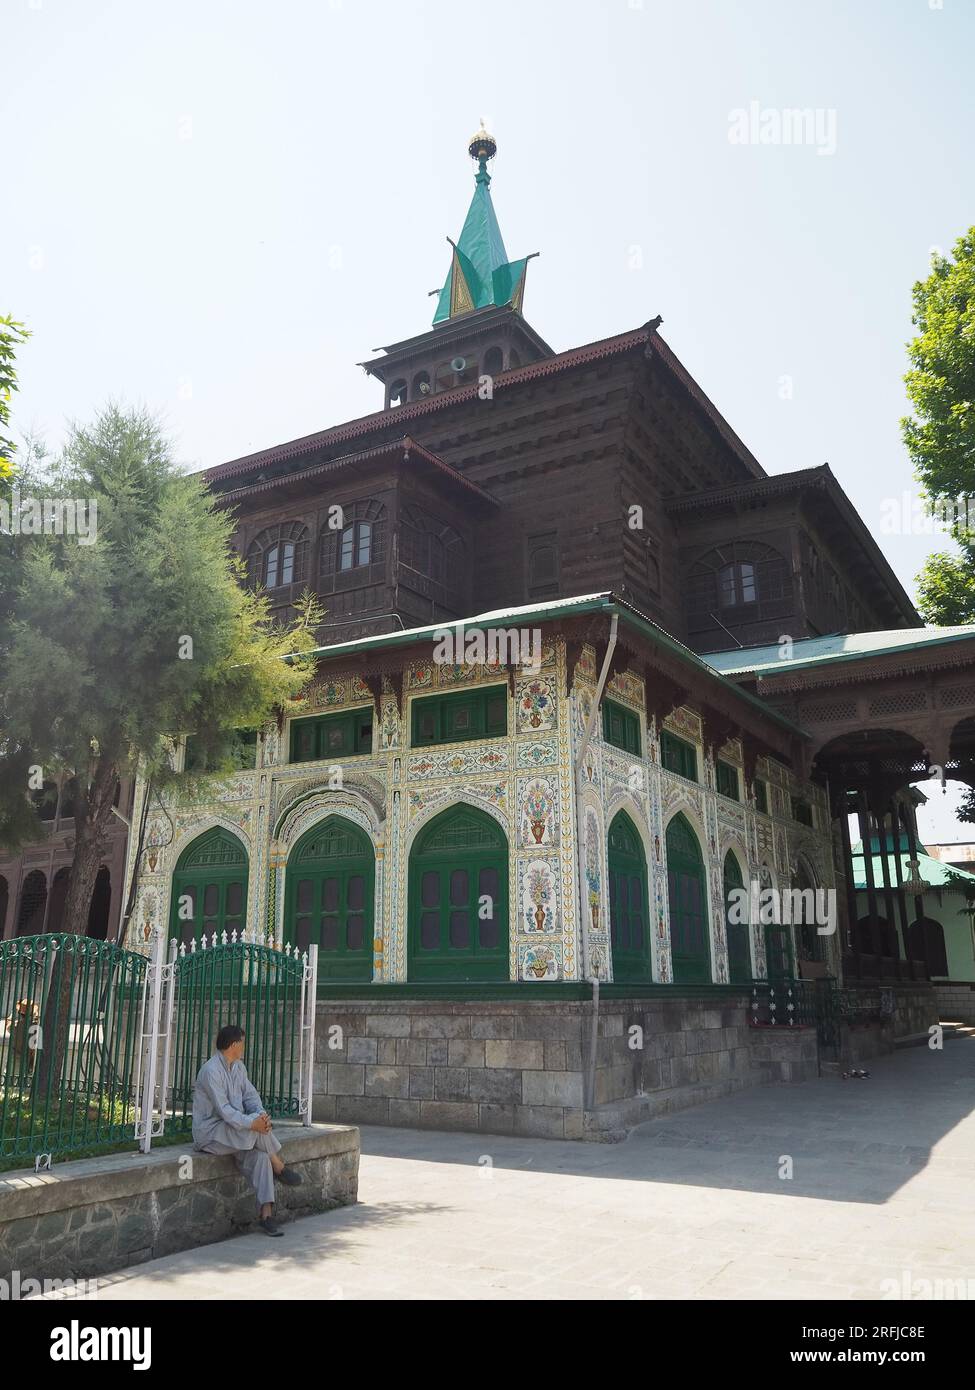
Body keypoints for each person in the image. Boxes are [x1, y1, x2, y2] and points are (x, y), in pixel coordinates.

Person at [192, 1024, 303, 1237]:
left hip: (238, 1134)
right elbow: (224, 1111)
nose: (244, 1046)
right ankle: (278, 1165)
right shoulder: (210, 1071)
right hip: (211, 1133)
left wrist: (260, 1116)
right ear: (234, 1044)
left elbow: (251, 1097)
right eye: (242, 1042)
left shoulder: (239, 1068)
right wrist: (253, 1124)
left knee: (261, 1157)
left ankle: (267, 1216)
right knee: (254, 1129)